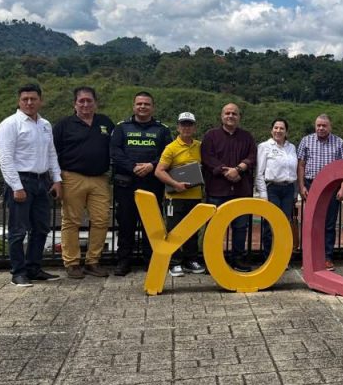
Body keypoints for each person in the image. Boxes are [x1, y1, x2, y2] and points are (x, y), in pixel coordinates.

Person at [0, 83, 63, 287]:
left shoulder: (45, 124)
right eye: (25, 99)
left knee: (41, 228)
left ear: (40, 101)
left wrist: (57, 179)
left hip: (42, 181)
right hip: (21, 181)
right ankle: (18, 272)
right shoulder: (10, 124)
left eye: (33, 99)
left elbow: (51, 153)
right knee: (18, 231)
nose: (29, 102)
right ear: (19, 101)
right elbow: (5, 159)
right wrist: (16, 187)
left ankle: (34, 268)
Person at [52, 86, 114, 279]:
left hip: (100, 179)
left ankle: (92, 261)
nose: (86, 104)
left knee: (101, 220)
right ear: (75, 103)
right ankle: (71, 263)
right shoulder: (64, 125)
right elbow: (52, 153)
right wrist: (56, 179)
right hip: (72, 177)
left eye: (89, 101)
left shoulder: (105, 122)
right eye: (82, 101)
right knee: (71, 221)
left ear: (95, 103)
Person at [109, 91, 172, 276]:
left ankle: (151, 260)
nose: (142, 107)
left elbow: (167, 154)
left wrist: (152, 166)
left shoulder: (162, 130)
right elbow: (114, 151)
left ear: (153, 107)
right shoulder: (122, 128)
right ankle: (123, 262)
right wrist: (133, 166)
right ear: (133, 106)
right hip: (127, 184)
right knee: (125, 224)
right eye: (139, 104)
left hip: (152, 184)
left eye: (146, 104)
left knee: (151, 225)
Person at [201, 103, 257, 271]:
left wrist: (239, 168)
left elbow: (253, 156)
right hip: (217, 190)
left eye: (234, 113)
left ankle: (238, 260)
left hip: (241, 191)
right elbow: (207, 158)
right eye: (227, 113)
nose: (231, 116)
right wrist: (226, 171)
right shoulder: (211, 136)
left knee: (240, 228)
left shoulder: (247, 137)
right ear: (221, 116)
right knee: (214, 227)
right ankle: (212, 260)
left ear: (239, 117)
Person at [154, 112, 206, 277]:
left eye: (189, 124)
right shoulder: (171, 148)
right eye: (183, 124)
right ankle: (174, 262)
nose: (186, 128)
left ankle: (191, 260)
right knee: (174, 230)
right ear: (178, 127)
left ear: (194, 127)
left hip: (195, 196)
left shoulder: (199, 146)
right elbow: (159, 171)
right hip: (175, 198)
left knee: (192, 231)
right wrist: (175, 184)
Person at [297, 114, 343, 270]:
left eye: (324, 125)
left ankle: (327, 257)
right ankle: (309, 258)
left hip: (332, 187)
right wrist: (301, 186)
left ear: (329, 127)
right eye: (318, 125)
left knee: (329, 224)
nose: (321, 128)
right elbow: (301, 165)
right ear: (315, 126)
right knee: (311, 223)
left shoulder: (338, 142)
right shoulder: (306, 140)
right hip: (311, 185)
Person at [254, 118, 298, 259]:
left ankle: (281, 258)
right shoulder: (264, 146)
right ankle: (268, 257)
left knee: (284, 224)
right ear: (271, 130)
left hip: (288, 189)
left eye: (282, 128)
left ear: (286, 131)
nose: (278, 131)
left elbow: (294, 171)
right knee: (270, 223)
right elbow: (259, 173)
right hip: (272, 188)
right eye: (276, 128)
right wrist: (263, 194)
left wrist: (295, 193)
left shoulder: (292, 147)